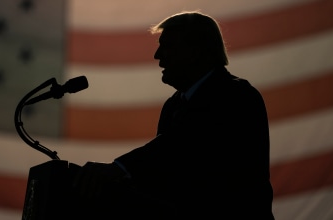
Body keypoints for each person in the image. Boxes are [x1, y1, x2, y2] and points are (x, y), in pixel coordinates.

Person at [72, 10, 275, 219]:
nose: (158, 56)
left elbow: (182, 144)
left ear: (195, 50)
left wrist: (119, 168)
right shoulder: (174, 105)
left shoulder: (235, 95)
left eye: (167, 46)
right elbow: (165, 176)